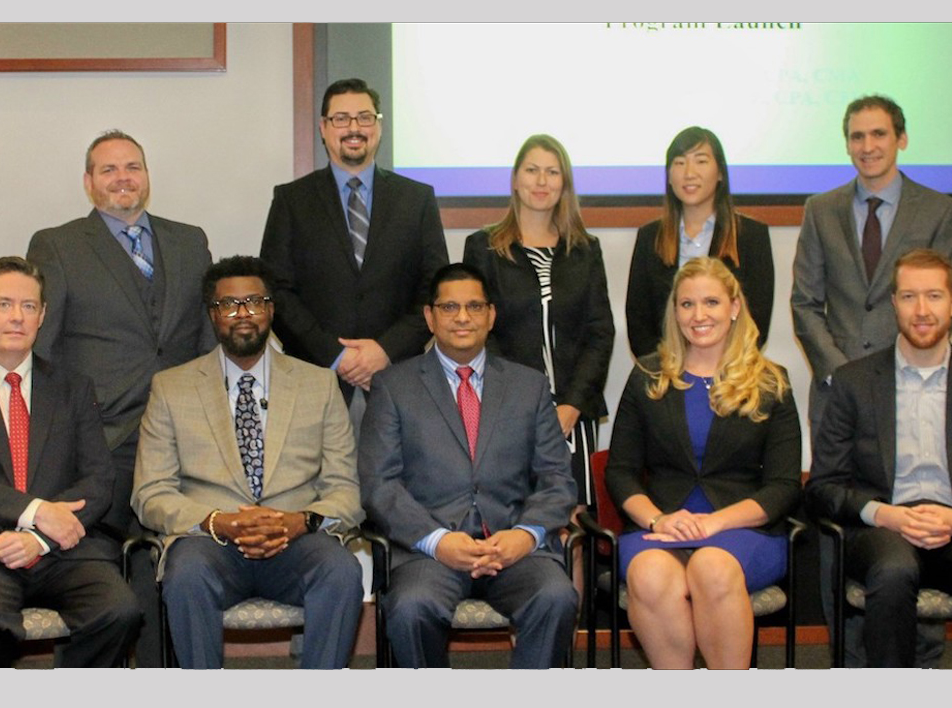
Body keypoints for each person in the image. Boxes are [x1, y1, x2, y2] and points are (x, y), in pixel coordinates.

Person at [26, 129, 213, 665]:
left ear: (147, 176)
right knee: (101, 572)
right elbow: (45, 351)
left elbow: (204, 340)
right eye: (108, 170)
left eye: (133, 166)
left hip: (179, 437)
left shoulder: (189, 239)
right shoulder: (56, 245)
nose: (123, 177)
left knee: (170, 564)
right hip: (102, 439)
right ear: (88, 183)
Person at [805, 249, 952, 668]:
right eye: (909, 297)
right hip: (884, 530)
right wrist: (885, 515)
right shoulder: (854, 382)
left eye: (933, 296)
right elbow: (823, 487)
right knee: (892, 571)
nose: (922, 310)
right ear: (894, 303)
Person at [132, 255, 364, 669]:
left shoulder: (319, 384)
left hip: (295, 541)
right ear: (212, 315)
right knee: (185, 575)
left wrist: (302, 521)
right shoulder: (171, 388)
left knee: (342, 572)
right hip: (209, 544)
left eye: (254, 302)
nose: (243, 314)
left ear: (271, 309)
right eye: (228, 305)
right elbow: (150, 493)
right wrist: (218, 521)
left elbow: (345, 489)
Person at [0, 257, 140, 667]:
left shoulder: (74, 388)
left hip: (63, 552)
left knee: (120, 612)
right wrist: (34, 512)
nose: (16, 317)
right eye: (3, 304)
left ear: (43, 316)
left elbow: (98, 479)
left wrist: (39, 538)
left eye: (29, 306)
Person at [358, 262, 578, 669]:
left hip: (513, 548)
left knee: (556, 597)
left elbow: (557, 479)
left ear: (491, 315)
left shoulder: (529, 386)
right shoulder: (394, 386)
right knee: (410, 608)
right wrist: (437, 539)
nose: (463, 317)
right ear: (429, 316)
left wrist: (526, 535)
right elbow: (379, 484)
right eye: (449, 307)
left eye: (475, 306)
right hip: (431, 553)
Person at [607, 256, 801, 669]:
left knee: (712, 566)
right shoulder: (647, 377)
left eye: (711, 302)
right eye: (687, 304)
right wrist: (658, 520)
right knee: (649, 575)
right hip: (662, 525)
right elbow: (620, 471)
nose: (699, 316)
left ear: (734, 308)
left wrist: (716, 523)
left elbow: (784, 486)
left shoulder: (771, 382)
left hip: (744, 530)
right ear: (674, 312)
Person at [260, 77, 449, 411]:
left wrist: (384, 350)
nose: (353, 128)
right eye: (341, 119)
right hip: (315, 378)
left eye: (364, 117)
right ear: (323, 127)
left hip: (399, 378)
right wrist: (336, 356)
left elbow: (434, 291)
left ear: (378, 126)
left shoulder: (417, 199)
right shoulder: (291, 200)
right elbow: (276, 291)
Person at [791, 95, 952, 429]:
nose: (867, 146)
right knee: (834, 483)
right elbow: (804, 303)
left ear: (901, 139)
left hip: (913, 387)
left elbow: (941, 304)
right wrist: (841, 375)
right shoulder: (820, 210)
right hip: (836, 394)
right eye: (857, 137)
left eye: (878, 134)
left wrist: (900, 370)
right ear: (847, 145)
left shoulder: (940, 212)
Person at [462, 134, 614, 510]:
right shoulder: (482, 248)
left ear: (564, 184)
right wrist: (523, 403)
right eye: (532, 171)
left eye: (552, 172)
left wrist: (572, 405)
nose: (541, 181)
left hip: (574, 412)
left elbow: (601, 332)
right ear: (515, 179)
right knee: (516, 515)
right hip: (507, 410)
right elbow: (479, 334)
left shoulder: (585, 250)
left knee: (574, 521)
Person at [626, 126, 774, 358]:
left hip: (732, 376)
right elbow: (638, 323)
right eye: (679, 162)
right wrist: (669, 371)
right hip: (666, 375)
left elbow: (757, 323)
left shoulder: (751, 236)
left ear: (720, 173)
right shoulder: (649, 237)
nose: (689, 173)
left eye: (701, 161)